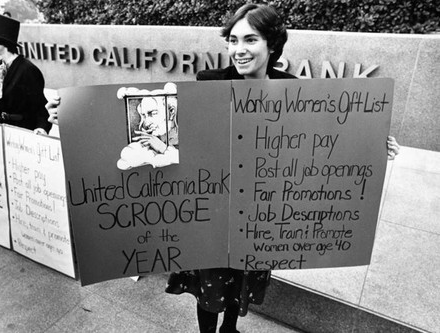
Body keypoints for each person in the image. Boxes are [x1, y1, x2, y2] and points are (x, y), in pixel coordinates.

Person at [164, 4, 400, 333]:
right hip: (218, 209)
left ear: (272, 44)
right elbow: (179, 133)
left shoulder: (293, 89)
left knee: (241, 282)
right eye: (232, 40)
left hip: (262, 211)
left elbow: (324, 138)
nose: (238, 50)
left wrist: (375, 143)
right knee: (210, 287)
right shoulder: (209, 82)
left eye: (250, 40)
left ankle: (229, 329)